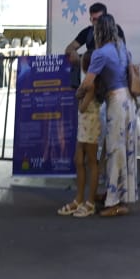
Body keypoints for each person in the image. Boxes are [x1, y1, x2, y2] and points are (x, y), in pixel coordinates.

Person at [76, 12, 138, 217]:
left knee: (114, 151)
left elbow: (87, 82)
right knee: (124, 152)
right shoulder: (123, 48)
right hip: (128, 102)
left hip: (116, 103)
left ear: (98, 31)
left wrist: (79, 92)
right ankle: (116, 195)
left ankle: (116, 203)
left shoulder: (101, 53)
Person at [58, 48, 102, 218]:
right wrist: (80, 94)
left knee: (91, 160)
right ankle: (79, 199)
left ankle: (90, 201)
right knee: (79, 160)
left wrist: (81, 94)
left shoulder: (92, 83)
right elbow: (78, 96)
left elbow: (82, 106)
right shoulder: (87, 81)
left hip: (90, 124)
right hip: (84, 126)